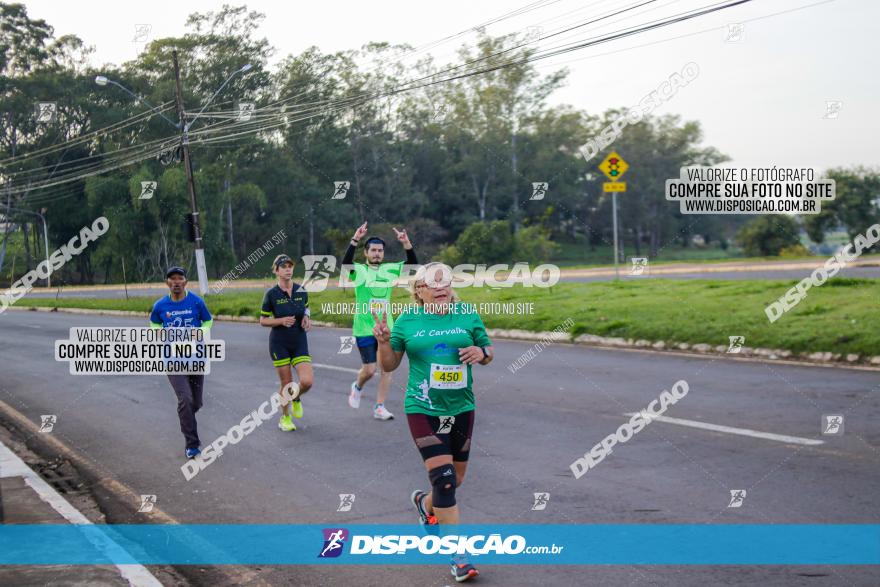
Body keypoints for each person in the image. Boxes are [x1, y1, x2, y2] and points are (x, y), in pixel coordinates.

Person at [373, 262, 493, 583]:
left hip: (461, 408)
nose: (440, 288)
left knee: (457, 478)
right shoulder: (408, 320)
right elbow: (389, 364)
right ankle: (458, 557)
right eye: (432, 285)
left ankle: (424, 504)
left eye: (445, 284)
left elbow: (488, 350)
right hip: (422, 408)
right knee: (445, 480)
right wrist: (384, 341)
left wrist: (480, 353)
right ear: (420, 291)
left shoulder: (466, 314)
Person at [343, 221, 417, 420]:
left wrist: (406, 244)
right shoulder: (358, 270)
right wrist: (355, 239)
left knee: (387, 368)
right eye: (373, 250)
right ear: (366, 253)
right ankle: (358, 385)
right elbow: (346, 264)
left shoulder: (391, 269)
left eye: (380, 251)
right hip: (365, 327)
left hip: (386, 328)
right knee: (369, 370)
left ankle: (379, 406)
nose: (377, 253)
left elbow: (413, 266)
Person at [149, 267, 213, 459]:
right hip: (172, 359)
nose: (176, 282)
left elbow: (208, 321)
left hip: (195, 357)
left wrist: (200, 332)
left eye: (180, 278)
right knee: (185, 400)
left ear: (186, 282)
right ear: (167, 283)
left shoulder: (196, 301)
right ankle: (192, 444)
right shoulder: (160, 305)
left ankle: (186, 417)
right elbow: (154, 324)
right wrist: (158, 333)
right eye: (172, 279)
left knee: (196, 403)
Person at [260, 254, 314, 432]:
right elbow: (263, 320)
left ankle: (296, 397)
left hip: (299, 340)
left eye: (290, 266)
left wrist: (307, 316)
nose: (288, 269)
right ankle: (285, 417)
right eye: (283, 267)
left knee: (307, 381)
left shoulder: (301, 290)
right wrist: (281, 321)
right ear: (276, 271)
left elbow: (306, 306)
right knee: (287, 384)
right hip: (279, 343)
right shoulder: (271, 294)